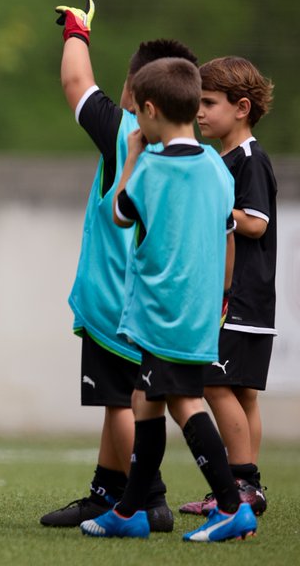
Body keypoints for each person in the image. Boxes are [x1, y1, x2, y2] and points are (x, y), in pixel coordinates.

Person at [83, 57, 257, 543]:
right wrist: (221, 298)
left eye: (137, 113)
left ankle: (230, 505)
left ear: (152, 111)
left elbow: (118, 214)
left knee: (182, 402)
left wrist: (133, 157)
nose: (134, 122)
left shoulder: (153, 170)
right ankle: (132, 509)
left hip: (161, 311)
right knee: (146, 398)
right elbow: (229, 240)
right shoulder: (218, 170)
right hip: (200, 310)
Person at [40, 1, 191, 531]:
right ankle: (107, 492)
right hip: (161, 298)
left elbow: (76, 81)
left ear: (138, 93)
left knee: (126, 402)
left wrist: (76, 29)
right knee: (121, 400)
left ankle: (146, 495)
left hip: (118, 301)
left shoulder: (126, 131)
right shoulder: (196, 158)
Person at [178, 56, 276, 517]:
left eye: (208, 103)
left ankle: (240, 486)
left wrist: (214, 209)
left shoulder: (249, 160)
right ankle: (247, 488)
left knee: (215, 385)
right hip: (247, 300)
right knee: (242, 393)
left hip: (239, 299)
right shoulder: (224, 160)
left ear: (241, 107)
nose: (199, 112)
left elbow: (255, 224)